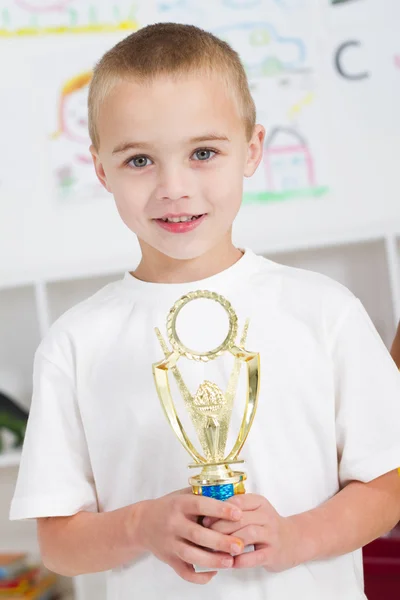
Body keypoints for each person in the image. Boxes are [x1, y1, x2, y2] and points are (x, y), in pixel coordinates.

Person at [9, 22, 400, 600]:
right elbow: (61, 545)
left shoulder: (325, 312)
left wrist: (296, 536)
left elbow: (388, 487)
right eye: (139, 160)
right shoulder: (74, 343)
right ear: (100, 170)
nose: (175, 187)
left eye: (203, 153)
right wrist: (141, 525)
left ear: (253, 149)